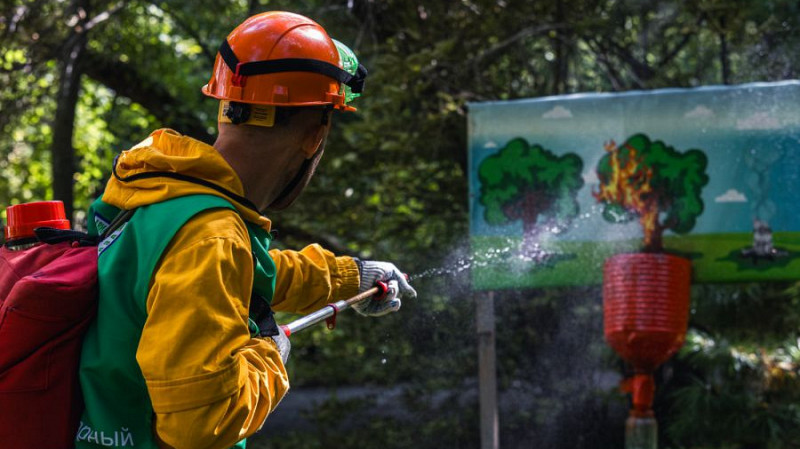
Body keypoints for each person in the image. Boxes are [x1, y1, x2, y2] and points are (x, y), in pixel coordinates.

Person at [75, 11, 416, 449]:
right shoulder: (211, 236)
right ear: (315, 136)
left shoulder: (163, 197)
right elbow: (199, 426)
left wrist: (352, 276)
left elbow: (250, 273)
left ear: (227, 108)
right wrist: (269, 358)